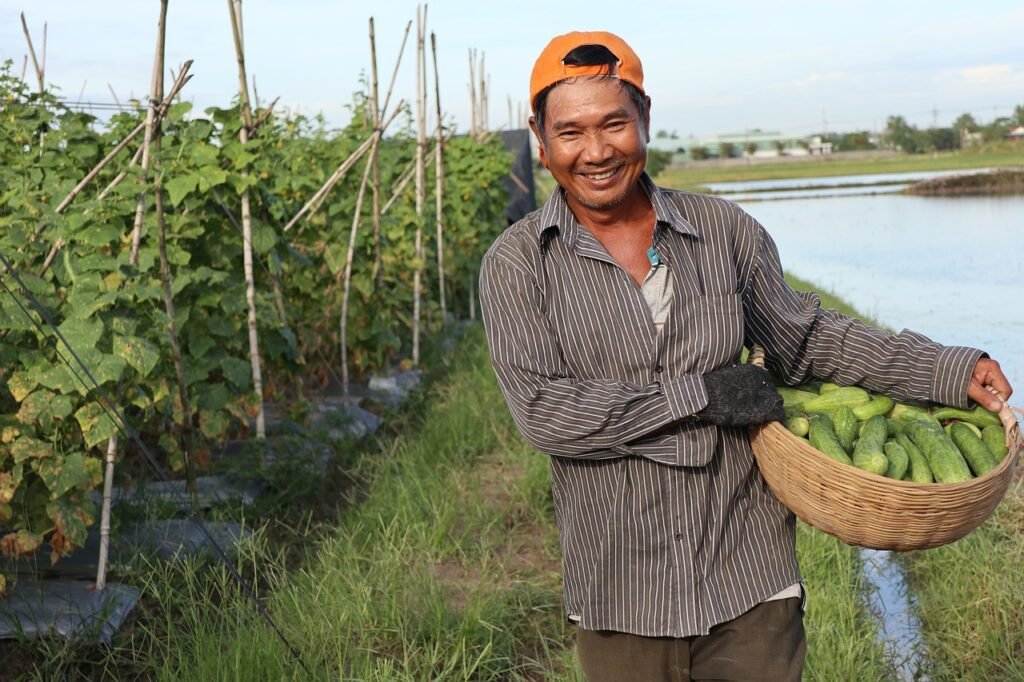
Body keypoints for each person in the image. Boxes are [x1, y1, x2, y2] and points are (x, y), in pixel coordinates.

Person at [478, 30, 1013, 681]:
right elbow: (544, 413)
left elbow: (809, 339)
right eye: (570, 132)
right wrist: (699, 394)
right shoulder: (517, 264)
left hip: (748, 573)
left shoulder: (725, 232)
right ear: (540, 141)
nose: (595, 151)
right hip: (620, 589)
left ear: (645, 121)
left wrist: (947, 369)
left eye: (614, 123)